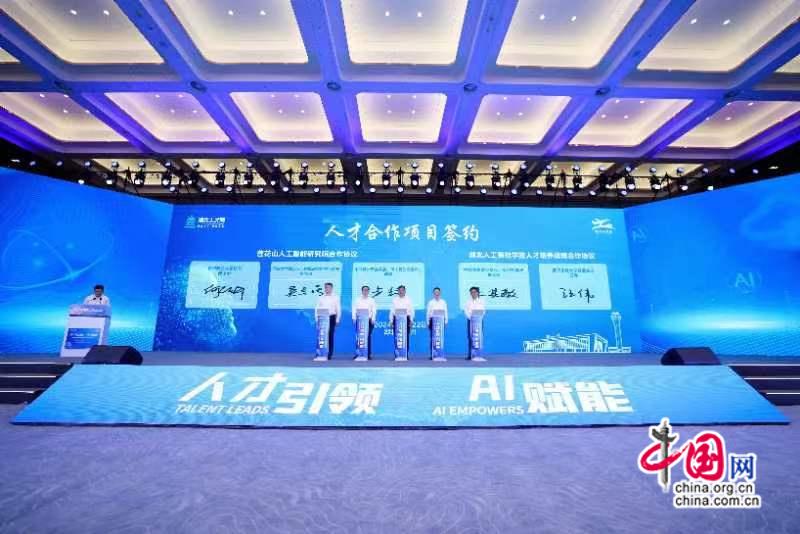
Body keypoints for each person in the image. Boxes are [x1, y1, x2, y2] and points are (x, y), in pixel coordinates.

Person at [315, 282, 341, 360]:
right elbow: (317, 309)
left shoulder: (335, 297)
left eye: (329, 287)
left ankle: (329, 353)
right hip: (322, 318)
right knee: (321, 336)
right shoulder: (321, 297)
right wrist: (316, 319)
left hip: (331, 317)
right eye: (326, 287)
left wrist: (338, 319)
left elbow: (338, 309)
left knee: (330, 335)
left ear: (332, 288)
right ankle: (320, 352)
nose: (327, 289)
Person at [389, 285, 414, 360]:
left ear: (405, 291)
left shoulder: (408, 299)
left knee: (406, 337)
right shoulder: (394, 300)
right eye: (399, 290)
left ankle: (405, 354)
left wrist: (411, 320)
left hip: (406, 319)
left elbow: (411, 310)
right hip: (396, 319)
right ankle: (397, 354)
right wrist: (391, 321)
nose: (401, 292)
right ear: (398, 291)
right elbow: (392, 311)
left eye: (402, 290)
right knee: (397, 337)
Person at [352, 285, 377, 360]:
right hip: (359, 321)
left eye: (367, 290)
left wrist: (373, 319)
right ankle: (358, 354)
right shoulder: (357, 300)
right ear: (362, 291)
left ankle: (367, 354)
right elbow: (354, 309)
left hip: (368, 321)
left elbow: (374, 310)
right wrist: (354, 318)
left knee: (367, 337)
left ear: (368, 291)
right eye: (364, 290)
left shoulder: (371, 300)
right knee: (359, 337)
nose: (365, 291)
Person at [464, 286, 486, 362]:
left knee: (479, 337)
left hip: (479, 321)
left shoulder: (481, 301)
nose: (473, 293)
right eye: (471, 292)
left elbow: (483, 311)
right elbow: (466, 311)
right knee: (470, 337)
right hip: (470, 321)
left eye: (474, 292)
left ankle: (479, 354)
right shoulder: (468, 302)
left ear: (478, 293)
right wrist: (470, 318)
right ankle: (470, 355)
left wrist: (479, 317)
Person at [426, 287, 448, 361]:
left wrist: (446, 321)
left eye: (438, 292)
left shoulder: (443, 302)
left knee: (440, 338)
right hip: (433, 321)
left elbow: (446, 312)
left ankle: (440, 354)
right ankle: (433, 354)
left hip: (441, 322)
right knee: (433, 338)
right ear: (433, 293)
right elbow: (428, 313)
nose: (436, 293)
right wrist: (427, 322)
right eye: (435, 292)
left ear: (440, 293)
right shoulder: (430, 302)